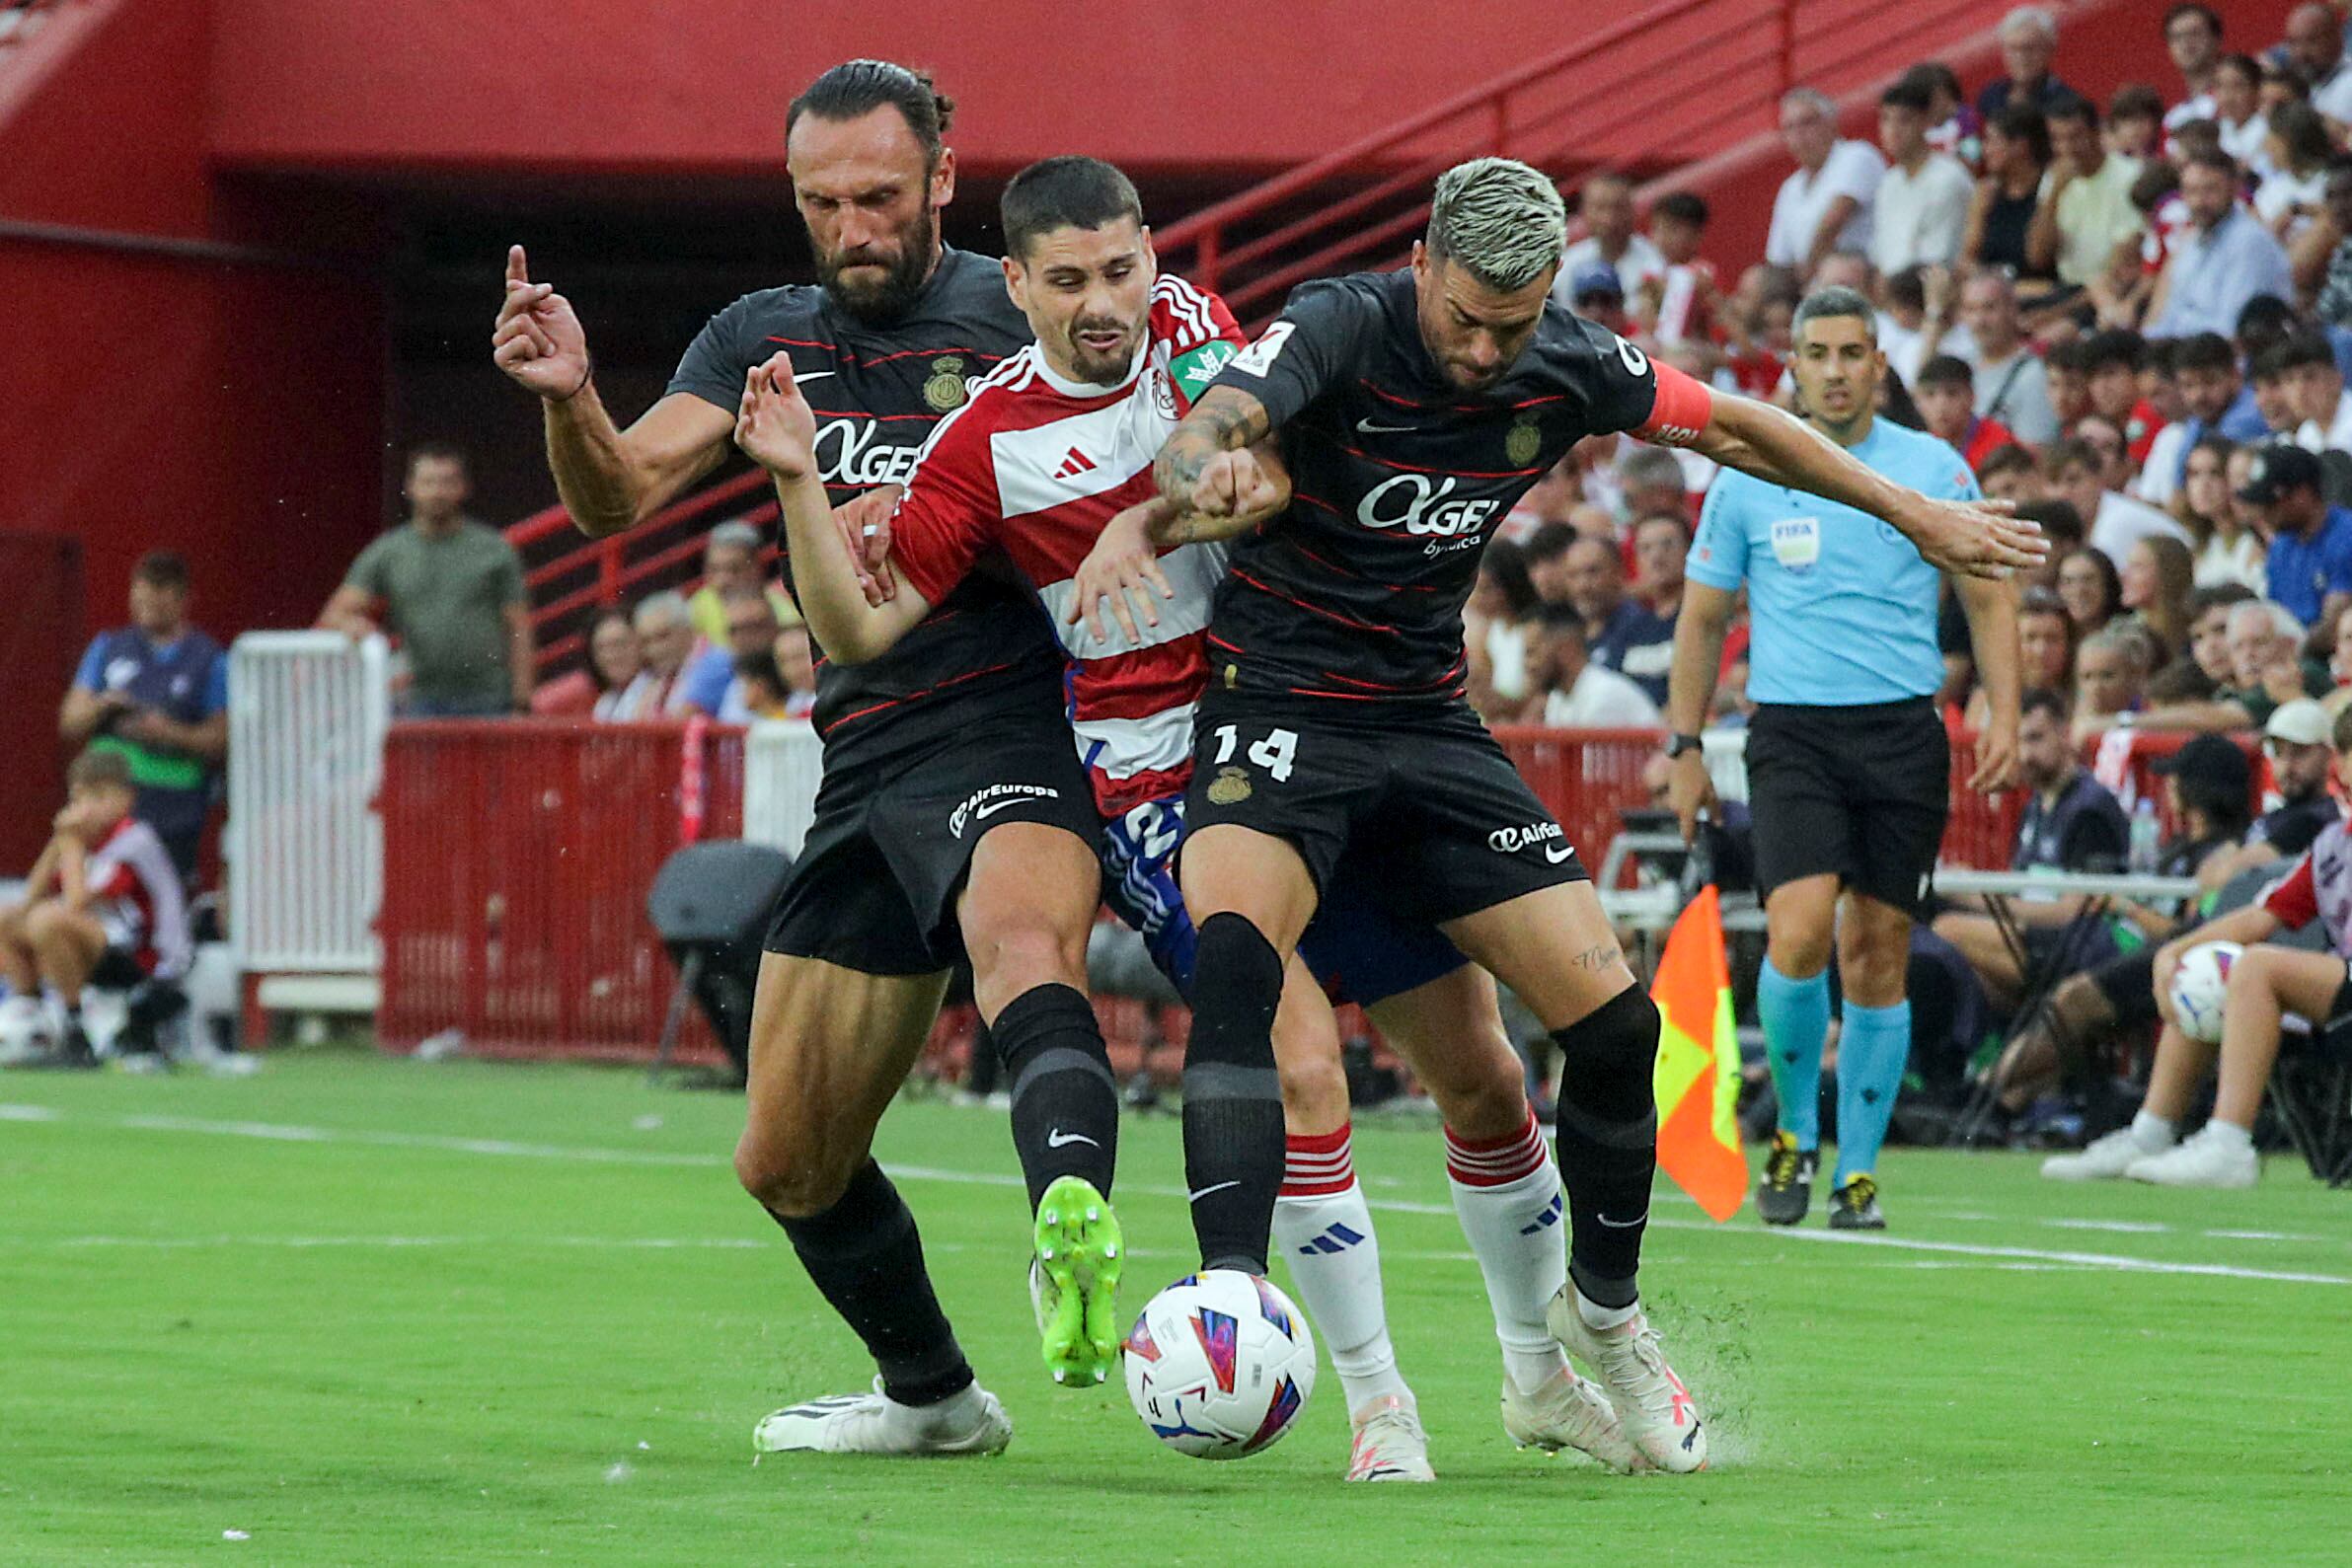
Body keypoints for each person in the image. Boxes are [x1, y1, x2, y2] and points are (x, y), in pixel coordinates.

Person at [1101, 156, 2035, 1475]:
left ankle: (1601, 1327)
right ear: (1420, 263)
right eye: (1467, 318)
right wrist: (1194, 478)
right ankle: (1235, 1309)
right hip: (1278, 713)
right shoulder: (1341, 325)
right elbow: (1215, 422)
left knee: (1614, 1025)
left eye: (1515, 321)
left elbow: (1732, 426)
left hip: (1425, 727)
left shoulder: (1566, 359)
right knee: (1243, 971)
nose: (1488, 350)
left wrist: (1908, 510)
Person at [738, 154, 1641, 1482]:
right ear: (1017, 286)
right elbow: (856, 625)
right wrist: (799, 485)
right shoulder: (983, 438)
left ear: (1150, 255)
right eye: (1066, 280)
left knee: (1484, 1070)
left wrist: (1151, 522)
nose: (1102, 300)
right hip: (1159, 769)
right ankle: (1375, 1405)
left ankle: (1540, 1374)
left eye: (1120, 268)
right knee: (1302, 1062)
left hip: (1307, 725)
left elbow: (1270, 482)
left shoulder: (1203, 338)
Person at [493, 59, 1112, 1459]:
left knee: (1024, 954)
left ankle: (1096, 1230)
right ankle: (935, 1398)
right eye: (823, 201)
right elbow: (619, 495)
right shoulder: (761, 337)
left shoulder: (1026, 303)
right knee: (784, 1157)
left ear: (944, 183)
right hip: (864, 762)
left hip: (1020, 724)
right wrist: (569, 399)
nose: (854, 227)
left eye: (881, 197)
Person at [1668, 283, 2020, 1233]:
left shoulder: (1931, 467)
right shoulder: (1748, 469)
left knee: (1878, 954)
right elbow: (1702, 615)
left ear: (1878, 363)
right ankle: (1791, 1130)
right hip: (1791, 732)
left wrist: (2005, 710)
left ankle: (1856, 1174)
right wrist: (1682, 743)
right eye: (1814, 352)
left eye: (1849, 353)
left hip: (1902, 731)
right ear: (1791, 363)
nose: (1831, 370)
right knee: (1796, 932)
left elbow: (1986, 595)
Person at [2045, 704, 2352, 1188]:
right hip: (2341, 987)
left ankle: (2229, 1143)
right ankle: (2151, 1131)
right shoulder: (2336, 844)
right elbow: (2262, 915)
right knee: (2206, 969)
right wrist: (2175, 951)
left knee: (2256, 968)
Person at [1985, 727, 2252, 1133]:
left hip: (2175, 959)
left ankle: (1985, 1094)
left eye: (2176, 778)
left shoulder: (2224, 858)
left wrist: (2121, 904)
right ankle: (2002, 1102)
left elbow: (2187, 929)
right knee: (2066, 1000)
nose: (2168, 787)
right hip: (2142, 951)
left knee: (2072, 1000)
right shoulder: (2178, 849)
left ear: (2196, 789)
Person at [0, 749, 190, 1070]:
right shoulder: (86, 839)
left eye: (99, 797)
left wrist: (70, 844)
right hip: (101, 945)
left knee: (49, 921)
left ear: (126, 798)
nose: (86, 809)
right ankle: (31, 1014)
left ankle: (76, 1031)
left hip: (148, 959)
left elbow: (75, 905)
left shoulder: (133, 840)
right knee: (8, 918)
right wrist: (58, 842)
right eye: (79, 798)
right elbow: (29, 899)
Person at [320, 444, 534, 717]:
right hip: (421, 700)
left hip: (491, 700)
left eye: (447, 482)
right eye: (428, 482)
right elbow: (337, 613)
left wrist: (522, 703)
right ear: (410, 487)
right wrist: (360, 628)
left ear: (463, 488)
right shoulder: (388, 552)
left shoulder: (494, 549)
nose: (437, 492)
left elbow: (519, 628)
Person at [56, 551, 227, 883]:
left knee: (156, 900)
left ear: (181, 600)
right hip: (104, 804)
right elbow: (70, 722)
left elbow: (221, 739)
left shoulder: (210, 660)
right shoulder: (107, 647)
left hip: (173, 808)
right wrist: (102, 705)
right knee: (93, 888)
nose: (144, 611)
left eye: (157, 602)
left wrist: (169, 733)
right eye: (139, 599)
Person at [2147, 150, 2296, 341]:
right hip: (2183, 352)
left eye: (2210, 190)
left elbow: (2230, 332)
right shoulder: (2192, 242)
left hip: (2223, 359)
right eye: (2191, 191)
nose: (2199, 202)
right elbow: (2169, 317)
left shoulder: (2249, 242)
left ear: (2234, 188)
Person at [2026, 97, 2145, 291]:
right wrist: (2054, 193)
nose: (2066, 148)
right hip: (2066, 285)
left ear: (2096, 132)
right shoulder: (2054, 178)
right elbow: (2037, 257)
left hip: (2112, 290)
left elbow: (2123, 259)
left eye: (2075, 137)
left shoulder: (2131, 176)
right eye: (2057, 139)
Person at [1766, 87, 1885, 278]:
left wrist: (1806, 276)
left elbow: (1832, 224)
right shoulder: (1790, 188)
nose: (1799, 134)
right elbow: (1779, 259)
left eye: (1807, 123)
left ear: (1831, 123)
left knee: (1835, 270)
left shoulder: (1857, 155)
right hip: (1813, 276)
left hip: (1862, 268)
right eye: (1790, 128)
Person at [1870, 77, 1975, 276]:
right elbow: (1882, 256)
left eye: (1904, 120)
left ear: (1926, 122)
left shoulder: (1948, 179)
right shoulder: (1888, 182)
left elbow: (1938, 259)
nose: (1893, 130)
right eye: (1885, 119)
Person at [2245, 443, 2352, 629]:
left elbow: (2334, 626)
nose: (2263, 512)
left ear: (2302, 494)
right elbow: (2274, 617)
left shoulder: (2345, 536)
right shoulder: (2280, 548)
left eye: (2271, 503)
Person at [1563, 535, 1674, 705]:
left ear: (1618, 573)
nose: (1582, 585)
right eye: (1573, 575)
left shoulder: (1649, 632)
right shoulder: (1566, 636)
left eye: (1592, 572)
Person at [2046, 435, 2189, 562]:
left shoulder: (2115, 522)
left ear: (2098, 479)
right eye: (2054, 482)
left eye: (2073, 480)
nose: (2063, 493)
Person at [1957, 271, 2060, 444]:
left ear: (2012, 309)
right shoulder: (1961, 366)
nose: (1979, 321)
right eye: (1971, 310)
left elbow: (2035, 451)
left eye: (1989, 308)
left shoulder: (2034, 375)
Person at [1522, 605, 1662, 727]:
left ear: (1566, 649)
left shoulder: (1603, 696)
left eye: (1532, 652)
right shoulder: (1557, 698)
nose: (1527, 665)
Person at [1962, 104, 2053, 280]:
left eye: (1991, 140)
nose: (1985, 150)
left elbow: (2039, 259)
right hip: (1994, 291)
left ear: (2020, 146)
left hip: (2042, 290)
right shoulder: (1986, 193)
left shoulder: (2050, 188)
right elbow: (1967, 259)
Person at [1555, 171, 1664, 301]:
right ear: (1584, 211)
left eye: (1617, 208)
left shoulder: (1654, 264)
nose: (1608, 219)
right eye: (1600, 208)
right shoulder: (1568, 264)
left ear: (1632, 210)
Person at [686, 519, 797, 644]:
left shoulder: (784, 602)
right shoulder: (694, 613)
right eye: (714, 570)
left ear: (758, 566)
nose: (722, 580)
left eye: (734, 569)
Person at [679, 585, 780, 716]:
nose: (745, 637)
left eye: (754, 627)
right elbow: (688, 716)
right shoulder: (720, 666)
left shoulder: (798, 663)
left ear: (774, 625)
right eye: (735, 630)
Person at [2173, 438, 2261, 588]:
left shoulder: (2258, 540)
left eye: (2215, 473)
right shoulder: (2197, 546)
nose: (2204, 485)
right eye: (2194, 474)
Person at [1916, 355, 2018, 468]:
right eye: (1930, 394)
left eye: (1952, 393)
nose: (1941, 406)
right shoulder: (1916, 447)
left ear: (1971, 397)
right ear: (1917, 401)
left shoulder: (1999, 444)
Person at [1976, 6, 2077, 119]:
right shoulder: (1991, 96)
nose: (2021, 57)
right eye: (2012, 49)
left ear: (2050, 50)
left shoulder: (2066, 104)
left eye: (2029, 49)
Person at [2120, 534, 2197, 661]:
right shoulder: (2125, 634)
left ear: (2167, 573)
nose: (2124, 575)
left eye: (2137, 567)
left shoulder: (2196, 632)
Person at [2285, 1, 2352, 130]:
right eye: (2293, 43)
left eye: (2311, 41)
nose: (2301, 53)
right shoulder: (2299, 88)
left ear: (2336, 37)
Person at [2162, 6, 2225, 135]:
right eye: (2177, 37)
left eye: (2195, 33)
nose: (2186, 43)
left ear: (2216, 39)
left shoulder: (2241, 97)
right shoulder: (2172, 118)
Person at [584, 608, 645, 720]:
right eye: (601, 648)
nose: (611, 656)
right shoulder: (603, 704)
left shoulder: (660, 688)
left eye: (619, 644)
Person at [1631, 512, 1689, 620]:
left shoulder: (1705, 615)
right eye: (1645, 548)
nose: (1656, 556)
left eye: (1667, 545)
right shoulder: (1633, 629)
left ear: (1688, 550)